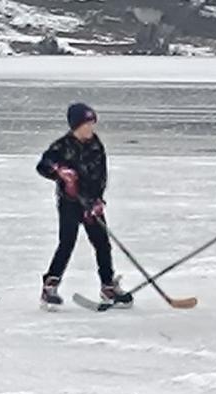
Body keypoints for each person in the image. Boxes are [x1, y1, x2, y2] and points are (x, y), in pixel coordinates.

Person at [36, 103, 133, 310]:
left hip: (90, 203)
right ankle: (50, 286)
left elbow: (101, 175)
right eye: (87, 124)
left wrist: (97, 200)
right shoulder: (62, 146)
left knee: (102, 243)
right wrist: (59, 171)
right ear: (76, 126)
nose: (90, 128)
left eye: (92, 123)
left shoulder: (96, 145)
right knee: (67, 242)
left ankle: (108, 286)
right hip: (69, 204)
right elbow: (43, 166)